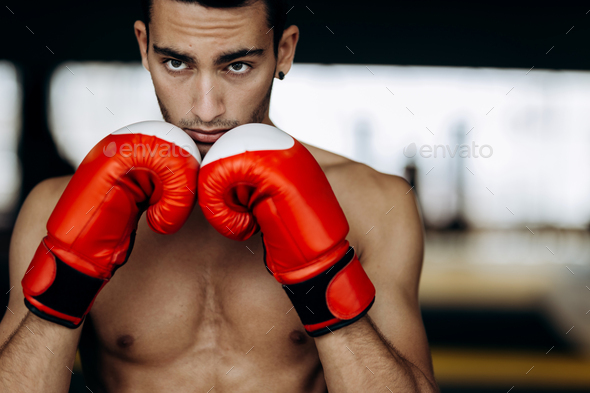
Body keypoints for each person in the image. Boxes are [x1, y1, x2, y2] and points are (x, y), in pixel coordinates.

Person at [0, 0, 439, 391]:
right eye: (176, 63)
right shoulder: (53, 207)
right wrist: (67, 282)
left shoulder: (375, 202)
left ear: (283, 50)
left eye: (237, 66)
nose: (206, 109)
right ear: (143, 47)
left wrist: (322, 278)